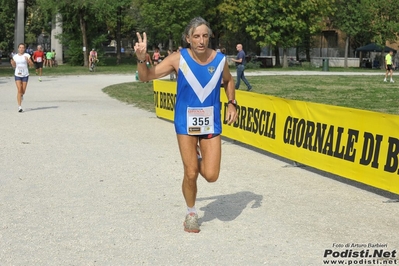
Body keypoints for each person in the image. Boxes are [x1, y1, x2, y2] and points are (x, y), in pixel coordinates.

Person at [134, 17, 238, 233]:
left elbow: (229, 80)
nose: (201, 41)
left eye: (205, 36)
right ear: (188, 38)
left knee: (211, 175)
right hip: (185, 123)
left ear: (209, 37)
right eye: (196, 36)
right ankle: (191, 213)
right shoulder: (177, 59)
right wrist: (142, 59)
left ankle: (198, 157)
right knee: (190, 172)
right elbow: (146, 76)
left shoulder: (219, 60)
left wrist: (231, 103)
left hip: (210, 123)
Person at [10, 43, 34, 112]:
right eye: (20, 47)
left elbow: (32, 65)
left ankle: (22, 95)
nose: (21, 49)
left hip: (25, 75)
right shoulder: (15, 56)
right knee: (19, 90)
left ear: (24, 49)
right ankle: (19, 107)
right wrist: (12, 63)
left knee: (23, 91)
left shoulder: (27, 55)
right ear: (18, 48)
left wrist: (28, 61)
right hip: (17, 75)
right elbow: (14, 66)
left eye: (23, 47)